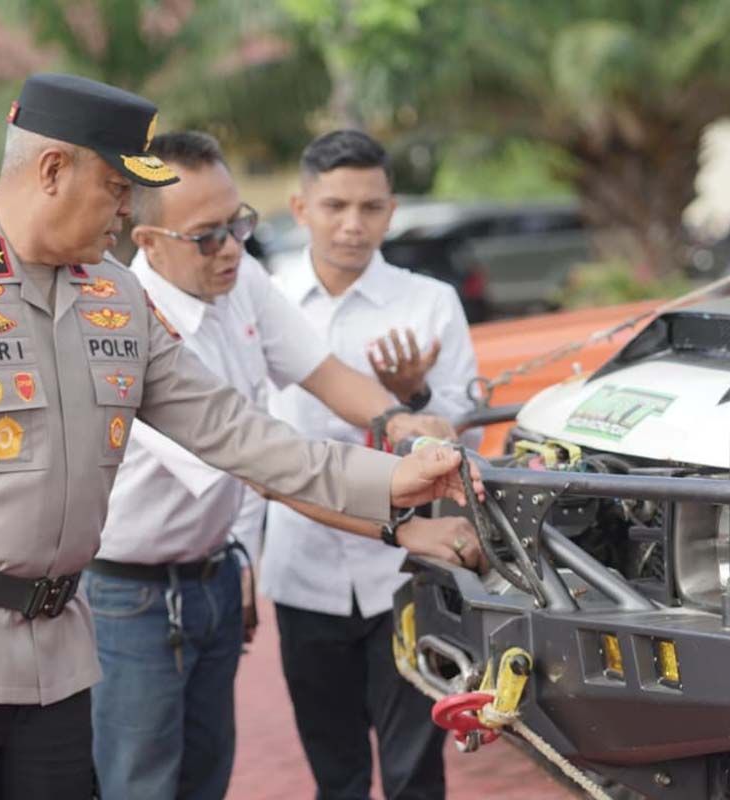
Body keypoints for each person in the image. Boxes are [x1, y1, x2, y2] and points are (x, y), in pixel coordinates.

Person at [0, 73, 483, 800]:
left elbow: (233, 431)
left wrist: (390, 482)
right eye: (117, 188)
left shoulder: (116, 297)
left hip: (57, 668)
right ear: (53, 170)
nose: (128, 211)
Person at [88, 131, 480, 800]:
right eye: (207, 236)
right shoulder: (129, 324)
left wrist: (398, 420)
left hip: (210, 576)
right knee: (141, 784)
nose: (231, 248)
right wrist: (406, 528)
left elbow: (320, 370)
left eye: (238, 225)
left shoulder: (240, 280)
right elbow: (264, 468)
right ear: (149, 243)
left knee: (207, 777)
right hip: (134, 598)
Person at [263, 129, 481, 800]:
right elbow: (244, 440)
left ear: (392, 210)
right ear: (301, 208)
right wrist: (241, 559)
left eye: (370, 207)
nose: (353, 225)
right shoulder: (265, 301)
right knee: (335, 771)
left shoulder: (430, 301)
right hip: (302, 566)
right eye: (335, 206)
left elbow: (460, 426)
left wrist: (414, 396)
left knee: (415, 769)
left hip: (409, 572)